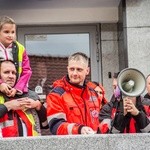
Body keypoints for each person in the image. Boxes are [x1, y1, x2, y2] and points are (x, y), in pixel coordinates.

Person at [46, 52, 103, 135]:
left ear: (87, 71)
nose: (74, 73)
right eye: (72, 69)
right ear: (67, 69)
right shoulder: (56, 95)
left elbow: (102, 119)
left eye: (79, 69)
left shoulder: (93, 93)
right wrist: (79, 129)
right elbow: (56, 126)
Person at [0, 60, 48, 137]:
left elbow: (45, 125)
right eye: (6, 72)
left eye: (14, 73)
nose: (11, 76)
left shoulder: (29, 94)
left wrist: (38, 105)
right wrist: (8, 106)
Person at [0, 16, 32, 97]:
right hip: (1, 87)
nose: (10, 35)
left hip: (16, 91)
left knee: (33, 99)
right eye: (6, 32)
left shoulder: (20, 48)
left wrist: (18, 88)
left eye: (13, 32)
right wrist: (1, 84)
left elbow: (26, 71)